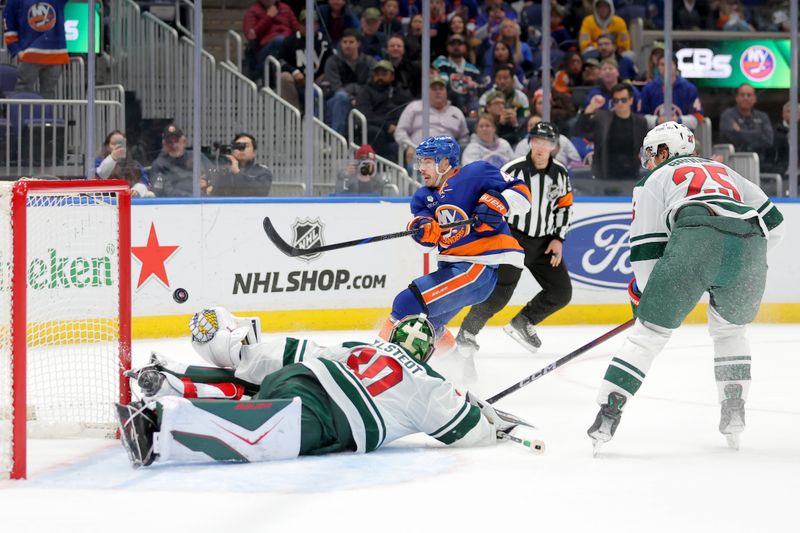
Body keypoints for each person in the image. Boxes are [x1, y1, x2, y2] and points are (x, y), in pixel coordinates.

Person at [587, 121, 785, 455]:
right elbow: (775, 224)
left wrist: (649, 299)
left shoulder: (654, 178)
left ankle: (609, 412)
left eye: (651, 153)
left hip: (697, 233)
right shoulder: (724, 170)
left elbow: (647, 246)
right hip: (750, 244)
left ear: (665, 151)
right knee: (731, 332)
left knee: (648, 335)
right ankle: (734, 408)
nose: (647, 161)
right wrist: (734, 262)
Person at [115, 308, 528, 467]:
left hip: (302, 377)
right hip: (328, 415)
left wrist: (242, 355)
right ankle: (157, 428)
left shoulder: (361, 345)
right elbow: (465, 431)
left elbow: (288, 352)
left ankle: (174, 377)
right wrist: (490, 420)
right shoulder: (430, 383)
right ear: (425, 354)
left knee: (253, 391)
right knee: (257, 430)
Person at [378, 135, 532, 381]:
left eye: (427, 161)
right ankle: (462, 376)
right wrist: (424, 231)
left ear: (446, 162)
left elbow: (523, 195)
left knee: (406, 303)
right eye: (420, 162)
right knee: (429, 326)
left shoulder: (476, 173)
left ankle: (372, 367)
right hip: (453, 268)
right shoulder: (423, 197)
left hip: (478, 270)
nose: (421, 168)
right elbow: (426, 243)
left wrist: (499, 203)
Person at [457, 122, 572, 355]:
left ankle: (524, 321)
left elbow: (564, 207)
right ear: (530, 142)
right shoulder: (514, 169)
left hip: (544, 243)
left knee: (561, 292)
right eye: (537, 141)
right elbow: (492, 199)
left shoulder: (560, 173)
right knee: (500, 293)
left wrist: (558, 238)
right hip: (513, 239)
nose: (540, 147)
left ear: (554, 146)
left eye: (547, 143)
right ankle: (467, 333)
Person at [576, 83, 649, 181]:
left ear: (631, 100)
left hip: (631, 175)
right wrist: (591, 107)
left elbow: (644, 147)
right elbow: (580, 129)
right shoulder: (602, 119)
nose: (619, 104)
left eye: (623, 100)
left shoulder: (641, 122)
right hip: (604, 175)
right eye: (616, 100)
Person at [394, 76, 469, 165]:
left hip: (448, 162)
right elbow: (400, 131)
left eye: (441, 89)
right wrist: (408, 145)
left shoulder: (456, 112)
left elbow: (464, 138)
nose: (438, 92)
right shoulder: (414, 107)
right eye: (434, 89)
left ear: (446, 92)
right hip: (420, 160)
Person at [3, 0, 68, 99]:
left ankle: (46, 115)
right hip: (29, 56)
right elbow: (9, 24)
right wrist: (17, 50)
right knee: (23, 93)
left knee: (48, 95)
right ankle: (22, 115)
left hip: (55, 55)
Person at [354, 60, 413, 160]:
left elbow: (410, 110)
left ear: (392, 76)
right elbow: (365, 114)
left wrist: (400, 127)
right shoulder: (366, 91)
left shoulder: (400, 92)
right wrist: (387, 126)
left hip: (399, 130)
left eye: (384, 74)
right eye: (377, 74)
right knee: (374, 132)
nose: (380, 77)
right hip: (378, 129)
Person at [323, 28, 375, 136]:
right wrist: (351, 99)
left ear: (358, 44)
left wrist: (359, 99)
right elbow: (336, 87)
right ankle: (336, 139)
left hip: (363, 100)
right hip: (335, 101)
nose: (347, 45)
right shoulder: (332, 61)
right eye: (344, 42)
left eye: (351, 42)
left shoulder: (369, 61)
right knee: (341, 97)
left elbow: (371, 84)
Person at [277, 9, 333, 111]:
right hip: (298, 80)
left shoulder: (325, 41)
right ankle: (293, 113)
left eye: (312, 23)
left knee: (330, 78)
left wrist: (324, 75)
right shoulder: (290, 41)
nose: (308, 27)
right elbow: (280, 60)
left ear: (317, 25)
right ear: (299, 25)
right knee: (284, 77)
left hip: (319, 80)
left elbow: (332, 61)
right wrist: (294, 71)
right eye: (305, 23)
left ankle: (320, 116)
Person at [639, 55, 704, 130]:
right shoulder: (648, 89)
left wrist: (678, 120)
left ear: (675, 66)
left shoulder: (689, 89)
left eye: (669, 64)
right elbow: (639, 118)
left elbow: (699, 117)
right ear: (658, 67)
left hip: (682, 138)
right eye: (662, 64)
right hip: (655, 139)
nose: (665, 68)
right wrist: (657, 120)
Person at [243, 0, 301, 83]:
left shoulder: (286, 8)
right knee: (279, 41)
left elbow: (297, 29)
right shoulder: (253, 11)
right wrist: (268, 17)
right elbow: (251, 35)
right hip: (264, 52)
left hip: (288, 45)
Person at [719, 83, 774, 168]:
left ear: (755, 98)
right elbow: (732, 137)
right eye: (742, 95)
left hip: (759, 165)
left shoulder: (762, 116)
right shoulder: (728, 115)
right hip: (733, 165)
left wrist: (740, 131)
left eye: (749, 95)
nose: (745, 98)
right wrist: (757, 133)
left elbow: (769, 141)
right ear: (737, 98)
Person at [150, 125, 212, 197]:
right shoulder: (159, 164)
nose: (174, 145)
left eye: (176, 141)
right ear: (164, 145)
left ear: (184, 142)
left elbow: (215, 175)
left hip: (204, 203)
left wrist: (208, 185)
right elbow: (163, 193)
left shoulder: (197, 157)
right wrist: (194, 196)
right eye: (169, 142)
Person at [432, 34, 482, 117]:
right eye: (452, 44)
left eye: (459, 44)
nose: (456, 47)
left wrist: (475, 85)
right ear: (447, 47)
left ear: (465, 47)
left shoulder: (473, 69)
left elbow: (479, 87)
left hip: (468, 105)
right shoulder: (440, 63)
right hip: (446, 104)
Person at [95, 131, 153, 198]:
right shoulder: (99, 162)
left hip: (132, 201)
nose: (117, 146)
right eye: (114, 144)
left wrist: (137, 190)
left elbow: (145, 182)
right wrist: (112, 158)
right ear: (107, 146)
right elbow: (100, 175)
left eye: (120, 143)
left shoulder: (135, 165)